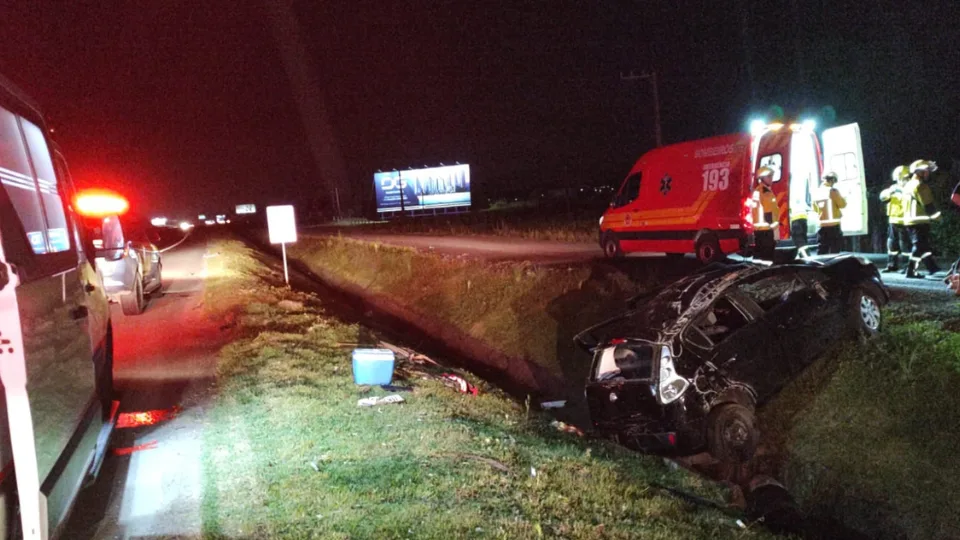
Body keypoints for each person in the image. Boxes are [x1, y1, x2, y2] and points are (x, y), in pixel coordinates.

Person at [902, 159, 941, 278]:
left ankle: (932, 267)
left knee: (923, 245)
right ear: (919, 172)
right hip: (919, 220)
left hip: (910, 220)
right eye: (926, 171)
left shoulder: (908, 184)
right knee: (918, 246)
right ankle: (911, 270)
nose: (928, 173)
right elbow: (928, 204)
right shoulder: (921, 186)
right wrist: (938, 218)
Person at [879, 165, 911, 272]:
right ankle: (892, 265)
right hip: (893, 219)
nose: (900, 180)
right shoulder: (893, 188)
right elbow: (882, 197)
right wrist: (890, 192)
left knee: (904, 245)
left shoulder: (910, 188)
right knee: (891, 244)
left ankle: (907, 266)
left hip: (905, 220)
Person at [812, 171, 847, 255]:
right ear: (832, 180)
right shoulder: (832, 191)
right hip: (834, 226)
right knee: (835, 250)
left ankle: (819, 267)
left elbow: (815, 208)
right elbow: (842, 204)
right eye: (834, 181)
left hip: (822, 227)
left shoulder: (816, 191)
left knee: (822, 250)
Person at [750, 167, 779, 262]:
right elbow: (756, 211)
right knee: (765, 258)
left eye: (772, 176)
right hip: (763, 231)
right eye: (769, 176)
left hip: (768, 229)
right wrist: (768, 222)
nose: (771, 178)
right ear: (762, 178)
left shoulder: (767, 192)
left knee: (768, 257)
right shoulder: (759, 192)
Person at [789, 177, 812, 258]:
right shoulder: (799, 192)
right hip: (803, 218)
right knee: (803, 239)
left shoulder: (788, 193)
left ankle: (806, 257)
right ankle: (800, 257)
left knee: (799, 241)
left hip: (796, 219)